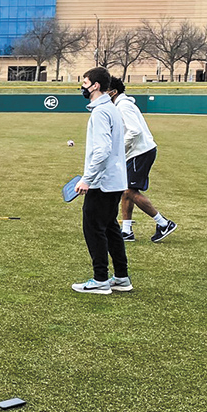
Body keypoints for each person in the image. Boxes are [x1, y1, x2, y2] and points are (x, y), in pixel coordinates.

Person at [72, 67, 130, 294]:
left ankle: (100, 280)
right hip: (114, 181)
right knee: (110, 228)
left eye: (85, 82)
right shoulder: (111, 108)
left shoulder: (101, 112)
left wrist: (87, 179)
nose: (83, 86)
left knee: (93, 228)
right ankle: (121, 277)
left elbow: (103, 150)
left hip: (102, 182)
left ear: (95, 85)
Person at [108, 77, 176, 243]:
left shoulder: (123, 106)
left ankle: (163, 223)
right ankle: (126, 231)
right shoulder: (120, 105)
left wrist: (120, 151)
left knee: (129, 191)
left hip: (140, 152)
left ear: (114, 92)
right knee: (125, 189)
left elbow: (135, 131)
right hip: (137, 152)